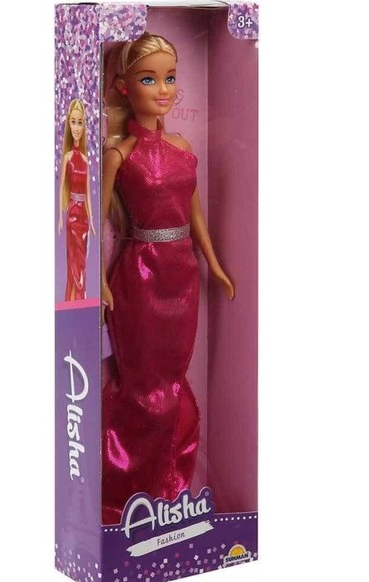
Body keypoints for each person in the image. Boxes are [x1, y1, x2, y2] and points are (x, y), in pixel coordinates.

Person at [101, 33, 234, 525]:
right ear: (122, 86)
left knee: (174, 382)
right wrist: (98, 281)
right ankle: (123, 492)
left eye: (170, 78)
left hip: (182, 276)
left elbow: (194, 214)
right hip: (139, 276)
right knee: (142, 387)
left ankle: (170, 490)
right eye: (148, 79)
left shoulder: (182, 148)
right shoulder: (120, 155)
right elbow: (88, 221)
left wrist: (214, 263)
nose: (163, 89)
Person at [58, 98, 96, 301]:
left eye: (80, 122)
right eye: (73, 122)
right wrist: (60, 217)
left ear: (84, 126)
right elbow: (61, 188)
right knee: (73, 260)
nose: (76, 127)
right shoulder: (67, 158)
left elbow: (88, 193)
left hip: (84, 218)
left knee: (82, 263)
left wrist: (92, 220)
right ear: (68, 124)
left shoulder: (86, 160)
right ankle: (75, 300)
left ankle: (78, 300)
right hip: (72, 214)